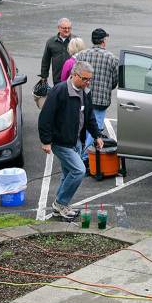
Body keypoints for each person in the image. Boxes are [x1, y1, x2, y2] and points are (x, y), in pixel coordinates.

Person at [39, 61, 110, 220]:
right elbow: (45, 117)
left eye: (90, 79)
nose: (87, 82)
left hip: (77, 141)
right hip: (61, 143)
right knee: (79, 171)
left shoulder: (85, 93)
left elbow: (89, 117)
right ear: (74, 75)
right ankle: (60, 203)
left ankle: (60, 207)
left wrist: (97, 135)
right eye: (85, 79)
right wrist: (46, 140)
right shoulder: (60, 90)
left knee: (68, 174)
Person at [76, 29, 119, 159]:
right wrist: (107, 88)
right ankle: (85, 157)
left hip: (82, 96)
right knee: (94, 129)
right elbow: (115, 80)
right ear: (103, 41)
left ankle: (78, 153)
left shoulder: (81, 55)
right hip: (101, 100)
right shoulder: (112, 58)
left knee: (80, 126)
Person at [40, 18, 72, 85]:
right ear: (59, 28)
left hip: (73, 78)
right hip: (57, 78)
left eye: (69, 28)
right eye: (64, 28)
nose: (67, 30)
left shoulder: (76, 41)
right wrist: (44, 76)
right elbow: (46, 60)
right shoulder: (51, 42)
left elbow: (82, 60)